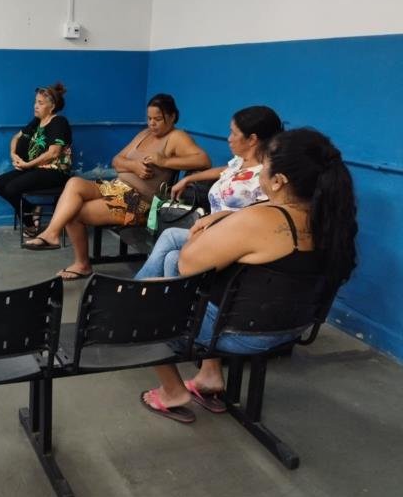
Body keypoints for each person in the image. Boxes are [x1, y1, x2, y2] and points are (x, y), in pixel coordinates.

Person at [141, 128, 358, 423]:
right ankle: (209, 376)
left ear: (279, 181)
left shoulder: (259, 220)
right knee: (179, 267)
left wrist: (207, 230)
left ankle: (172, 391)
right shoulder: (332, 220)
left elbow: (189, 265)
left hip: (240, 334)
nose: (259, 173)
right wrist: (228, 216)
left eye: (264, 166)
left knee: (146, 296)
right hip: (293, 327)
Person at [24, 93, 211, 280]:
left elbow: (203, 160)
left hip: (137, 202)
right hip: (116, 188)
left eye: (158, 119)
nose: (152, 123)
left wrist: (164, 161)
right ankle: (52, 233)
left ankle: (81, 263)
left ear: (172, 117)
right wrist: (134, 166)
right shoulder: (144, 134)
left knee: (73, 212)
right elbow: (116, 160)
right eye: (149, 118)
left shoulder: (177, 137)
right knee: (74, 183)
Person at [135, 105, 284, 279]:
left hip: (232, 239)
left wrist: (218, 218)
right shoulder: (241, 161)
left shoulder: (266, 176)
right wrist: (189, 179)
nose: (229, 139)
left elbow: (264, 214)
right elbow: (226, 171)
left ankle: (136, 288)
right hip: (213, 231)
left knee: (170, 236)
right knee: (172, 258)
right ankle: (166, 295)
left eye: (234, 133)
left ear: (252, 139)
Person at [0, 82, 72, 236]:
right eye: (35, 102)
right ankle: (32, 209)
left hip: (55, 172)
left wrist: (27, 165)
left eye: (40, 103)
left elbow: (53, 153)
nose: (35, 106)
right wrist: (13, 154)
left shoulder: (59, 122)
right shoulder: (37, 121)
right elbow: (16, 137)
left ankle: (30, 223)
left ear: (52, 106)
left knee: (12, 188)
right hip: (35, 168)